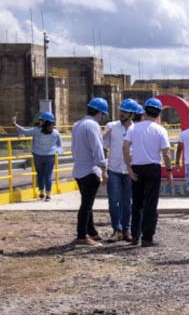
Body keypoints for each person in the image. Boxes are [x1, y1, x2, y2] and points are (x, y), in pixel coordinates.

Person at [123, 98, 173, 247]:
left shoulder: (133, 128)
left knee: (137, 203)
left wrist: (129, 167)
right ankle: (147, 238)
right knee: (151, 204)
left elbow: (125, 147)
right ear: (158, 113)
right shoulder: (160, 130)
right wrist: (169, 171)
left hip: (137, 167)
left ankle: (134, 236)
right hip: (153, 168)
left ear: (145, 111)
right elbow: (166, 153)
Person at [71, 98, 109, 246]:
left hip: (79, 169)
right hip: (90, 171)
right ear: (99, 113)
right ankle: (81, 236)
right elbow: (97, 148)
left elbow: (74, 149)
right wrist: (103, 167)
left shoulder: (77, 125)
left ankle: (92, 232)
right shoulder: (92, 126)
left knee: (87, 203)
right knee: (86, 205)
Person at [102, 99, 137, 242]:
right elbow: (103, 147)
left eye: (125, 112)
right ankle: (116, 229)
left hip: (129, 170)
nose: (121, 114)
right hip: (114, 169)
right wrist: (103, 169)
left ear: (132, 114)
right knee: (113, 201)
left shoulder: (136, 129)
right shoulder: (111, 126)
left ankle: (126, 229)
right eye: (121, 111)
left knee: (127, 201)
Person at [14, 111, 62, 201]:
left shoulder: (37, 131)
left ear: (45, 122)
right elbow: (59, 145)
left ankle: (41, 193)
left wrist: (15, 124)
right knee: (48, 175)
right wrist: (58, 152)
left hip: (38, 156)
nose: (40, 121)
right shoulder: (56, 132)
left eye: (41, 120)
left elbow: (24, 131)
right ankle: (48, 195)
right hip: (50, 157)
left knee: (40, 174)